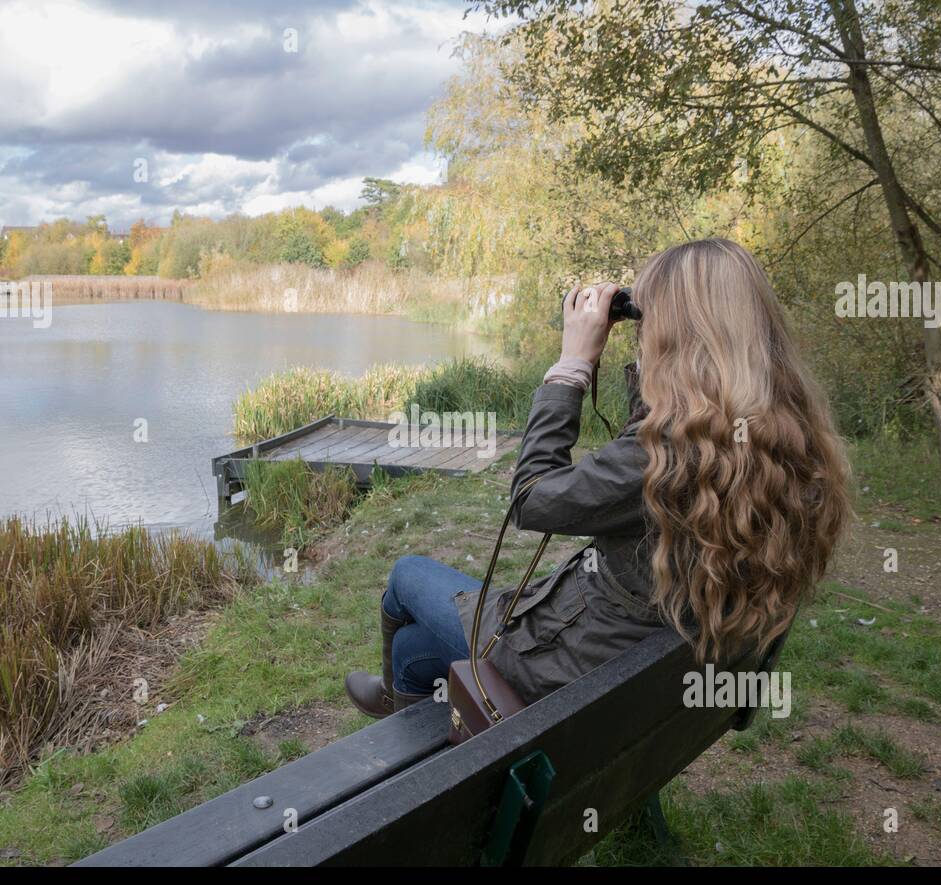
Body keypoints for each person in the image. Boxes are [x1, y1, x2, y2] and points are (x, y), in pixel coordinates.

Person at [345, 237, 851, 716]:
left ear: (671, 334)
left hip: (572, 665)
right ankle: (415, 707)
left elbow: (531, 499)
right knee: (417, 648)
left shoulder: (664, 453)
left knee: (407, 575)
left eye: (647, 319)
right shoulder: (792, 437)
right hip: (652, 668)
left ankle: (408, 718)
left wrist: (571, 367)